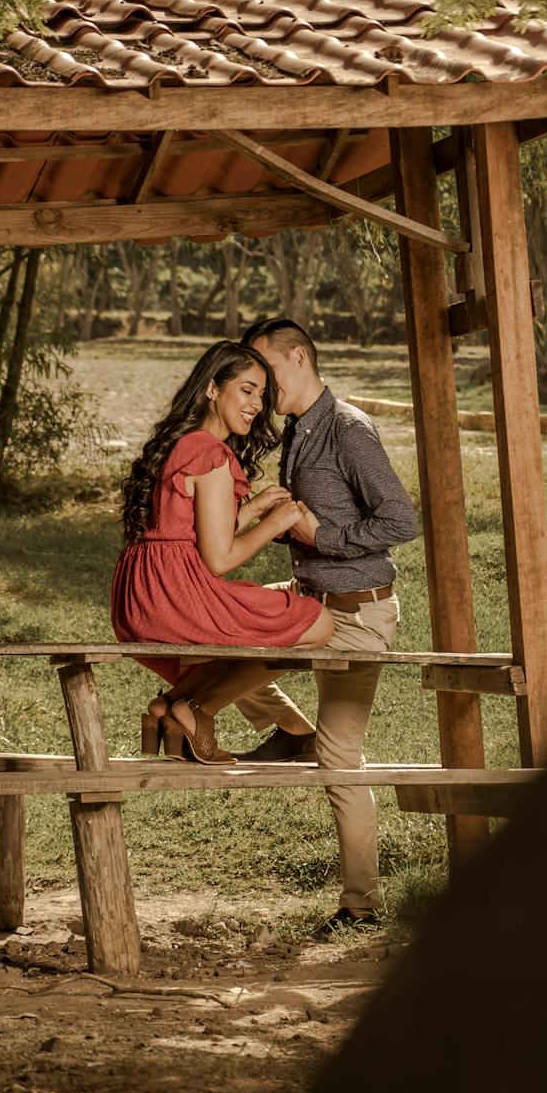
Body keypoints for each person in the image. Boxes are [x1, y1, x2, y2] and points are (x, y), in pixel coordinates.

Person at [233, 317, 421, 935]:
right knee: (222, 624)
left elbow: (400, 520)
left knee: (341, 760)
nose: (258, 383)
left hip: (358, 614)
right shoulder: (297, 431)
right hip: (310, 600)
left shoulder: (347, 430)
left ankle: (359, 906)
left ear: (298, 356)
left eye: (265, 369)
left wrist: (324, 537)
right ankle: (290, 727)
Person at [110, 341, 336, 765]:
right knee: (317, 624)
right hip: (174, 592)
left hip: (143, 591)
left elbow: (184, 528)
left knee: (256, 633)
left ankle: (168, 707)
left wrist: (251, 508)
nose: (256, 404)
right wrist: (275, 524)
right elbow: (218, 559)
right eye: (247, 390)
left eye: (262, 395)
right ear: (213, 389)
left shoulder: (181, 443)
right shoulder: (211, 453)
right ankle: (198, 709)